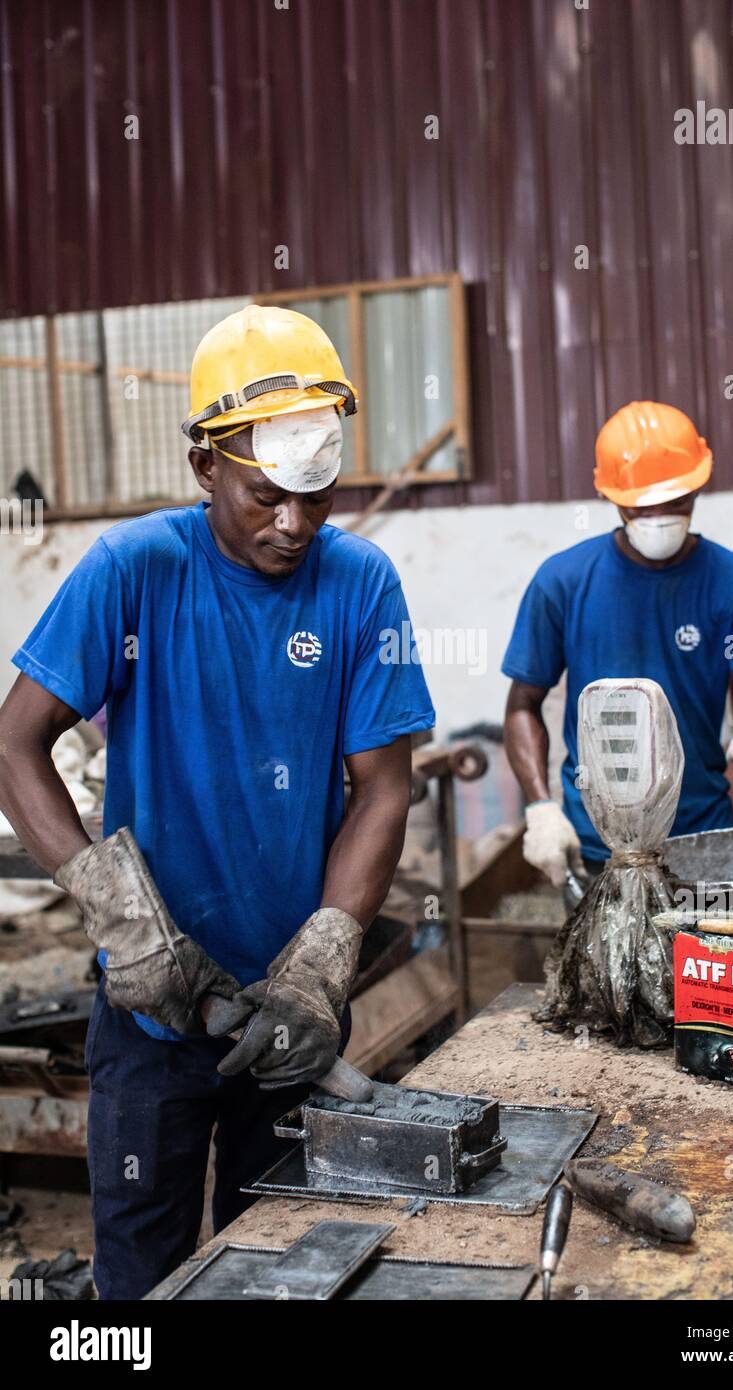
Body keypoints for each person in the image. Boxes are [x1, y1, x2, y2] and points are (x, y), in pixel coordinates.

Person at [0, 305, 435, 1299]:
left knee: (275, 1274)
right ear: (205, 468)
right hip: (153, 1026)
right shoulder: (135, 569)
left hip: (290, 1020)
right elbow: (13, 742)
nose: (293, 524)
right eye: (263, 495)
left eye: (314, 499)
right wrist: (123, 919)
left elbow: (384, 784)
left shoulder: (360, 586)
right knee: (138, 1284)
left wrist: (325, 953)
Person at [502, 400, 733, 886]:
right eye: (644, 503)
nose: (660, 514)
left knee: (705, 963)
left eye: (677, 499)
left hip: (702, 839)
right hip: (600, 843)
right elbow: (522, 705)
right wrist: (540, 806)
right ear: (613, 497)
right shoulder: (563, 581)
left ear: (699, 487)